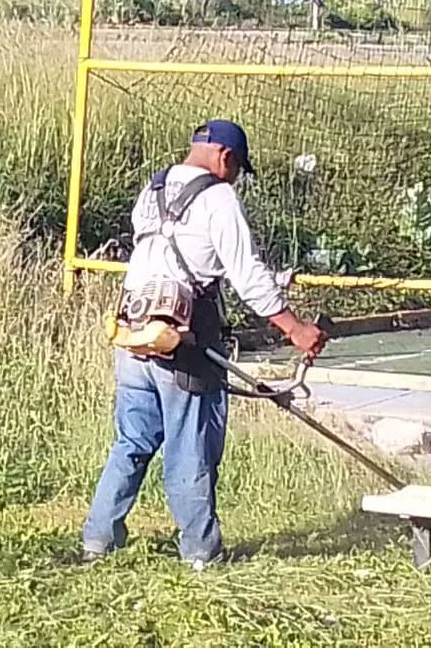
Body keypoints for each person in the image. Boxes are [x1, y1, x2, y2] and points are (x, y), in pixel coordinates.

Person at [81, 118, 328, 569]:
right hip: (184, 344)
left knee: (131, 441)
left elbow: (178, 257)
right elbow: (243, 273)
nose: (235, 178)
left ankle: (98, 538)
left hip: (134, 335)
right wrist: (294, 327)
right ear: (226, 159)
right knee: (190, 446)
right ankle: (200, 552)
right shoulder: (218, 197)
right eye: (237, 169)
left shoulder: (152, 191)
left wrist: (272, 282)